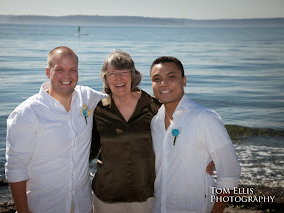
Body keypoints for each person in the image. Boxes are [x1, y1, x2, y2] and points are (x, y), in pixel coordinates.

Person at [5, 46, 105, 213]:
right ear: (47, 71)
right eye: (60, 69)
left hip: (83, 205)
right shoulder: (27, 113)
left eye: (73, 70)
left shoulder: (87, 97)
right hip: (45, 207)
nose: (67, 76)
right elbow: (16, 168)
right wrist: (23, 210)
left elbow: (120, 99)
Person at [150, 56, 241, 213]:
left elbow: (230, 175)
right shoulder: (155, 122)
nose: (163, 83)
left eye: (171, 77)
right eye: (157, 79)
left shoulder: (204, 118)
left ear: (184, 80)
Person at [89, 50, 161, 213]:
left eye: (124, 72)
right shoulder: (100, 111)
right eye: (112, 73)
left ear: (133, 75)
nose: (119, 78)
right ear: (106, 78)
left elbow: (175, 139)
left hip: (146, 194)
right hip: (106, 195)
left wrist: (202, 156)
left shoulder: (153, 106)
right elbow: (89, 150)